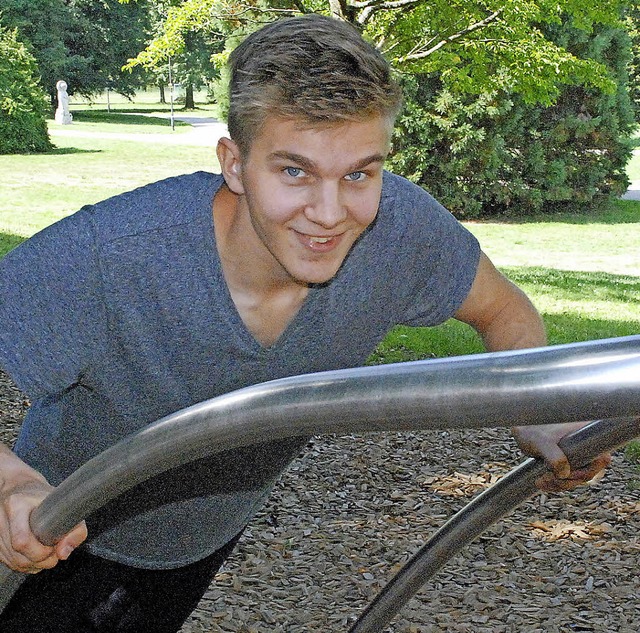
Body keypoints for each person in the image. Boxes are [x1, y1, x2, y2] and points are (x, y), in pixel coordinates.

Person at [0, 14, 610, 632]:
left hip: (203, 539)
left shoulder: (400, 235)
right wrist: (10, 486)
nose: (329, 213)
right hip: (54, 534)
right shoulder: (113, 254)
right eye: (294, 171)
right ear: (234, 164)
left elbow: (504, 311)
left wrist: (537, 415)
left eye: (359, 174)